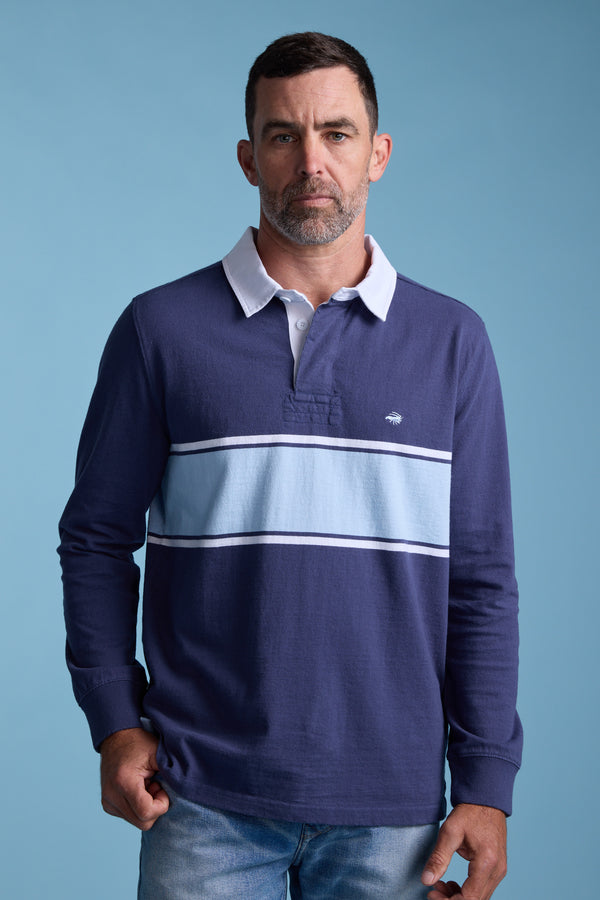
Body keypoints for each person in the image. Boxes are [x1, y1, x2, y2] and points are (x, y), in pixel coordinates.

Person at [59, 32, 522, 900]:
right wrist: (115, 721)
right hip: (201, 800)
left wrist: (487, 782)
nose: (312, 161)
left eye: (337, 133)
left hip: (395, 812)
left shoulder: (453, 343)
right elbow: (94, 540)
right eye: (284, 135)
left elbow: (482, 579)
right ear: (249, 158)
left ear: (378, 154)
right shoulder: (160, 331)